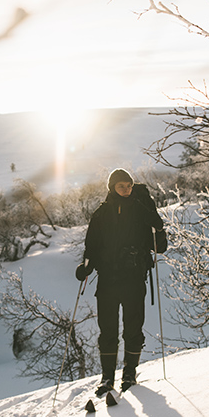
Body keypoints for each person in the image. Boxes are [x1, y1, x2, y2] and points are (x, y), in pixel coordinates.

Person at [76, 168, 167, 396]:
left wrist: (158, 226)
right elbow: (92, 247)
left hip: (134, 280)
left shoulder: (142, 210)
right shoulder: (101, 214)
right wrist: (86, 267)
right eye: (121, 186)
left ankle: (129, 373)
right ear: (112, 188)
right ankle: (107, 378)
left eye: (129, 186)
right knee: (107, 331)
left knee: (133, 329)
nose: (126, 190)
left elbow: (160, 247)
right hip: (107, 281)